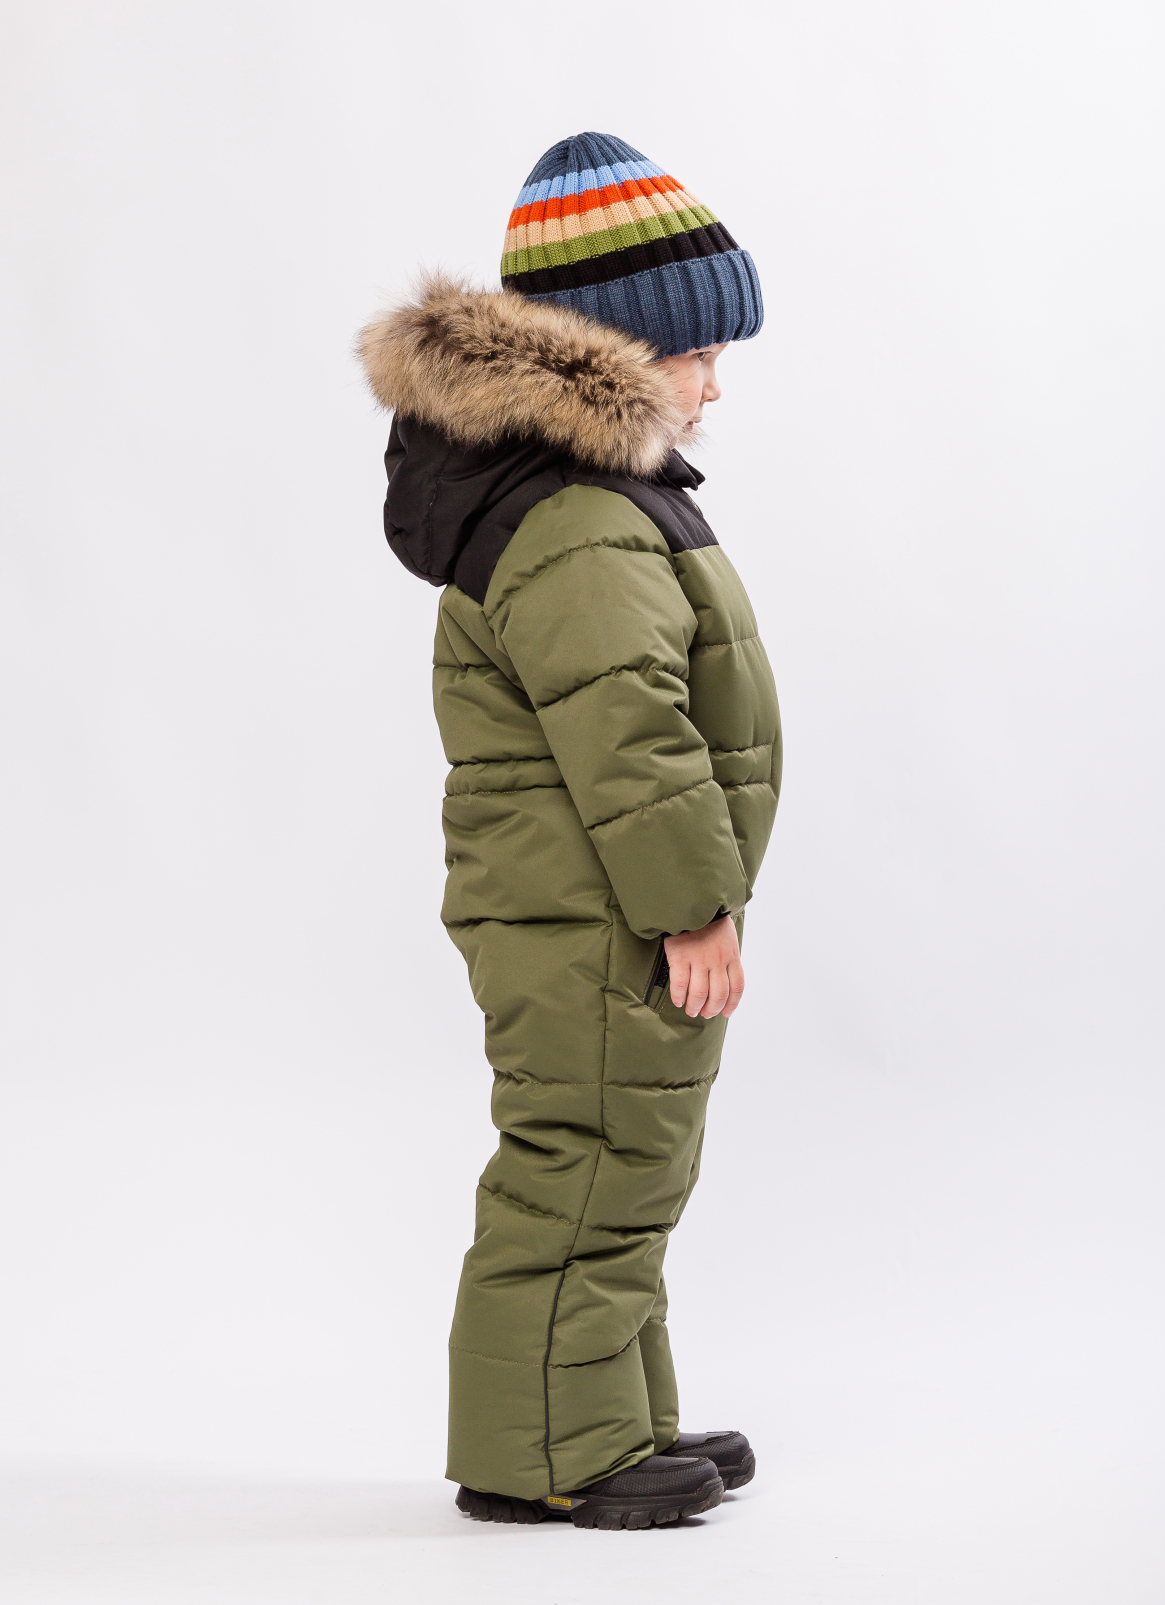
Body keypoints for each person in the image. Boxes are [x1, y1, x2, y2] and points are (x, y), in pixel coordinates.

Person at [357, 132, 782, 1532]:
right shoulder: (575, 518)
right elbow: (630, 732)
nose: (714, 382)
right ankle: (543, 1447)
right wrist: (694, 906)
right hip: (596, 911)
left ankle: (609, 1417)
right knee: (590, 1159)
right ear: (612, 353)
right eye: (696, 351)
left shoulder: (585, 494)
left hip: (592, 906)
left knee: (625, 1159)